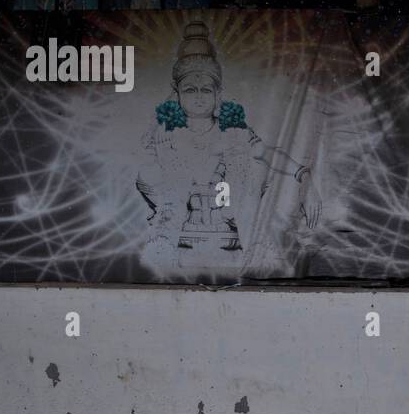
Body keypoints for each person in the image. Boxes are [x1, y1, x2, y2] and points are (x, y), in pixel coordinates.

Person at [136, 21, 319, 270]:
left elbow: (267, 155)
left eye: (205, 90)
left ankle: (256, 245)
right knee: (152, 173)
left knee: (252, 168)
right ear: (176, 93)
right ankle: (165, 239)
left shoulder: (233, 131)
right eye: (190, 90)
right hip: (181, 221)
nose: (199, 97)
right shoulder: (165, 133)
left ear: (218, 93)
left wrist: (302, 174)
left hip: (227, 219)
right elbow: (146, 176)